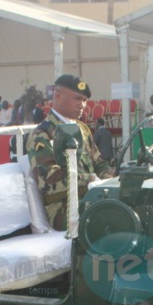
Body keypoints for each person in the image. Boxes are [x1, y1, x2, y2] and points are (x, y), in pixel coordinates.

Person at [27, 74, 113, 230]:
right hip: (63, 208)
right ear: (57, 96)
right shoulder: (43, 134)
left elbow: (99, 163)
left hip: (91, 197)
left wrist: (112, 179)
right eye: (77, 99)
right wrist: (90, 180)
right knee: (112, 217)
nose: (82, 105)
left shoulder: (82, 129)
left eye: (85, 100)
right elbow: (48, 182)